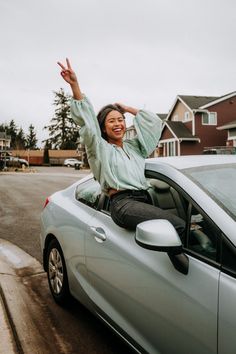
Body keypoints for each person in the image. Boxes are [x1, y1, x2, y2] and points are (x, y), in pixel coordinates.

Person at [58, 58, 185, 235]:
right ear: (103, 127)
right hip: (123, 204)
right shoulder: (99, 148)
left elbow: (154, 124)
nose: (118, 124)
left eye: (120, 120)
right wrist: (75, 85)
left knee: (181, 226)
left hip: (145, 200)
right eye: (111, 121)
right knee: (176, 226)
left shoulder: (136, 147)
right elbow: (88, 122)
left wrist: (127, 108)